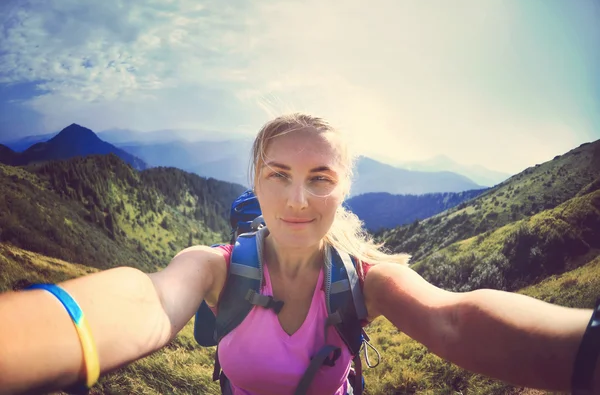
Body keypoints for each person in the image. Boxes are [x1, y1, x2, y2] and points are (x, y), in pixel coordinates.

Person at [0, 113, 599, 395]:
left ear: (343, 188)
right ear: (256, 183)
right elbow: (151, 301)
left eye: (320, 178)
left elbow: (453, 318)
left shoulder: (368, 282)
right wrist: (29, 337)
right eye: (279, 175)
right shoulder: (214, 267)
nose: (296, 200)